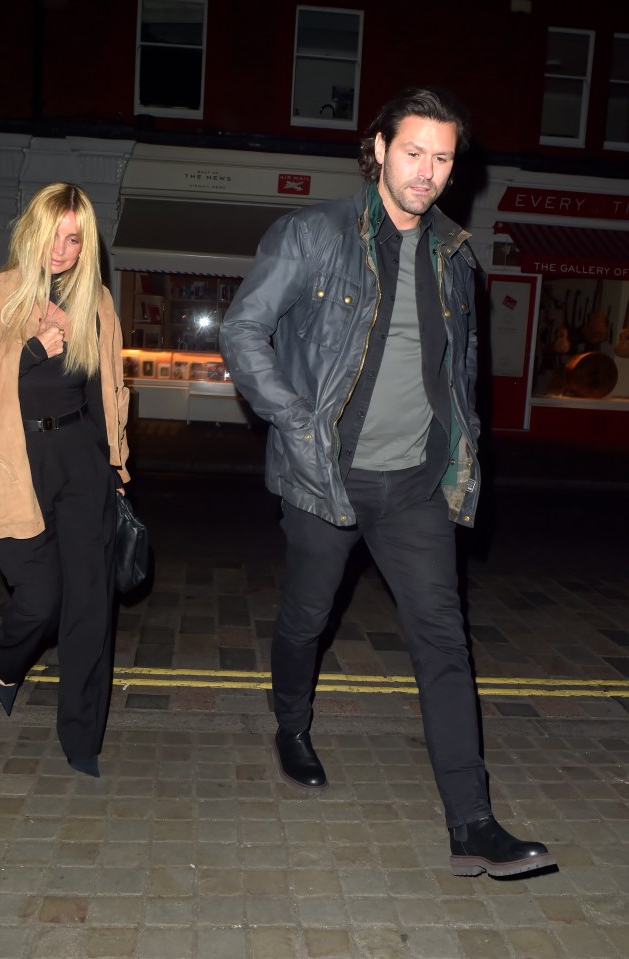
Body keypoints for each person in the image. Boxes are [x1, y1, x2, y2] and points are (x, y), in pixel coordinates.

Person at [220, 88, 556, 878]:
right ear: (378, 147)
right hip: (324, 477)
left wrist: (460, 461)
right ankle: (291, 725)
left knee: (444, 642)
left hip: (413, 486)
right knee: (306, 619)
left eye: (443, 158)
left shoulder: (454, 254)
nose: (428, 172)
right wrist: (297, 420)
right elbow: (243, 329)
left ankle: (472, 822)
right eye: (414, 152)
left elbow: (460, 374)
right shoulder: (314, 232)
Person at [0, 183, 130, 778]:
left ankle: (82, 738)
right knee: (41, 599)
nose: (61, 251)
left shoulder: (96, 301)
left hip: (82, 462)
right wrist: (34, 352)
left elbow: (104, 394)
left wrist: (114, 466)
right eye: (54, 234)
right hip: (16, 464)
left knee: (91, 605)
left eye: (75, 239)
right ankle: (5, 655)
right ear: (30, 229)